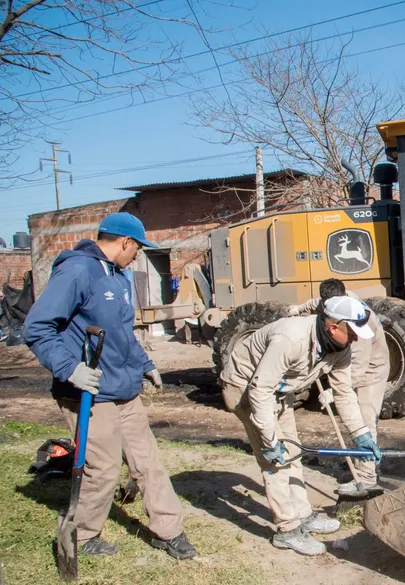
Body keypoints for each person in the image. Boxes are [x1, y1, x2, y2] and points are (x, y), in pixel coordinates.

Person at [23, 212, 197, 560]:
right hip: (88, 391)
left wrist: (145, 365)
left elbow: (121, 332)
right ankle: (82, 534)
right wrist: (70, 369)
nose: (137, 255)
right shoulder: (76, 271)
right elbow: (37, 328)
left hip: (123, 386)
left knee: (147, 461)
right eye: (137, 249)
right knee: (102, 466)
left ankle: (169, 530)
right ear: (125, 242)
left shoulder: (117, 277)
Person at [219, 296, 381, 556]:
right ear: (333, 327)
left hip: (280, 390)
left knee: (292, 453)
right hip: (246, 389)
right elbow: (259, 390)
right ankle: (287, 530)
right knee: (275, 461)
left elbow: (344, 393)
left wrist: (361, 435)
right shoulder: (291, 338)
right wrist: (269, 439)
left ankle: (303, 515)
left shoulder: (340, 348)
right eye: (351, 333)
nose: (355, 340)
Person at [287, 279, 388, 499]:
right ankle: (359, 466)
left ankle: (367, 478)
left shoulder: (355, 325)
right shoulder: (335, 302)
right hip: (358, 364)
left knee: (364, 419)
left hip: (372, 369)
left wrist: (335, 392)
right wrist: (297, 310)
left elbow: (358, 368)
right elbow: (315, 304)